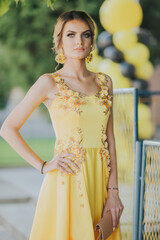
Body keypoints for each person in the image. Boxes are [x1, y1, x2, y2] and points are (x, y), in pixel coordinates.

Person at [0, 10, 124, 240]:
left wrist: (114, 191)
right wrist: (43, 165)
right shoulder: (48, 83)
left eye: (85, 35)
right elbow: (8, 128)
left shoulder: (105, 82)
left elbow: (110, 138)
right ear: (59, 41)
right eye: (71, 35)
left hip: (101, 180)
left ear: (92, 41)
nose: (79, 41)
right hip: (68, 180)